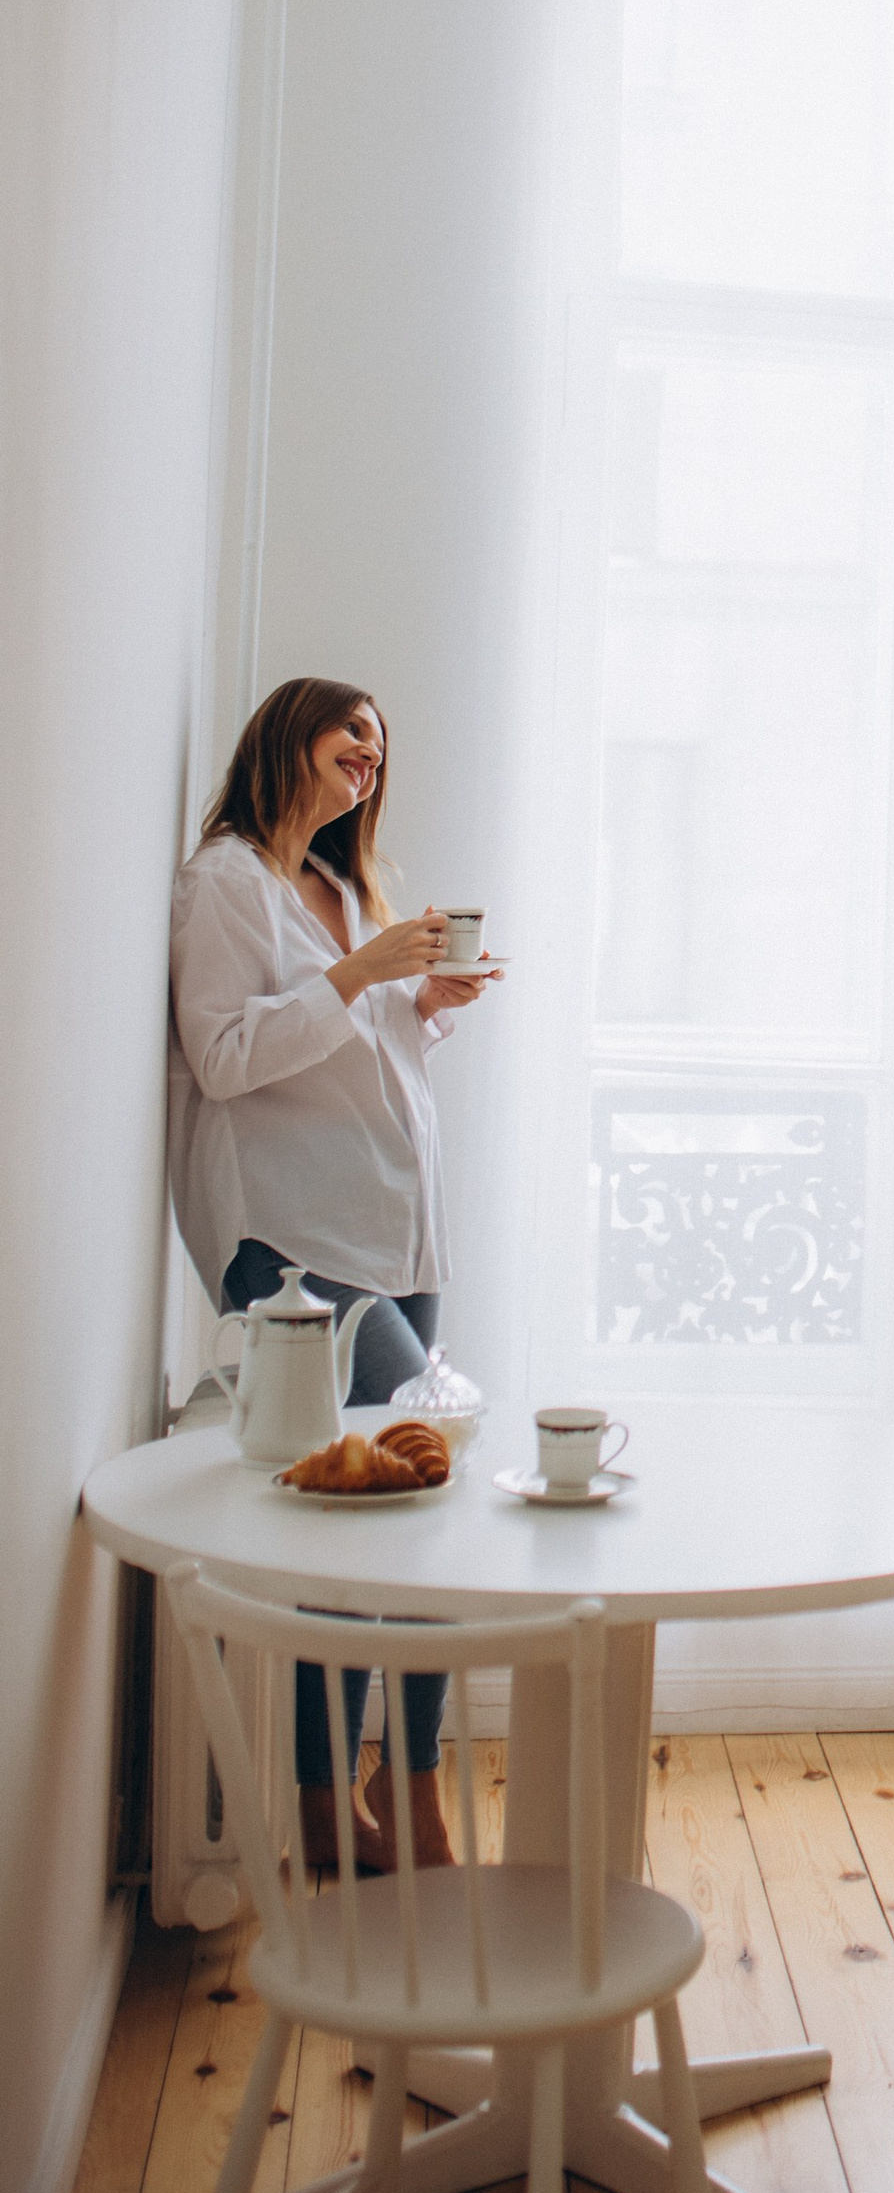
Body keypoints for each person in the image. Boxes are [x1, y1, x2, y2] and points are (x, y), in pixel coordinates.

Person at [169, 677, 501, 1872]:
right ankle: (367, 1812)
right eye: (351, 728)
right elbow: (223, 1056)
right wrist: (361, 977)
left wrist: (422, 999)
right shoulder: (228, 883)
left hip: (397, 1244)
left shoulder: (347, 887)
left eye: (381, 739)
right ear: (289, 736)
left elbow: (362, 1064)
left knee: (391, 1530)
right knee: (412, 1498)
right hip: (295, 1250)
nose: (370, 750)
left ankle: (381, 1806)